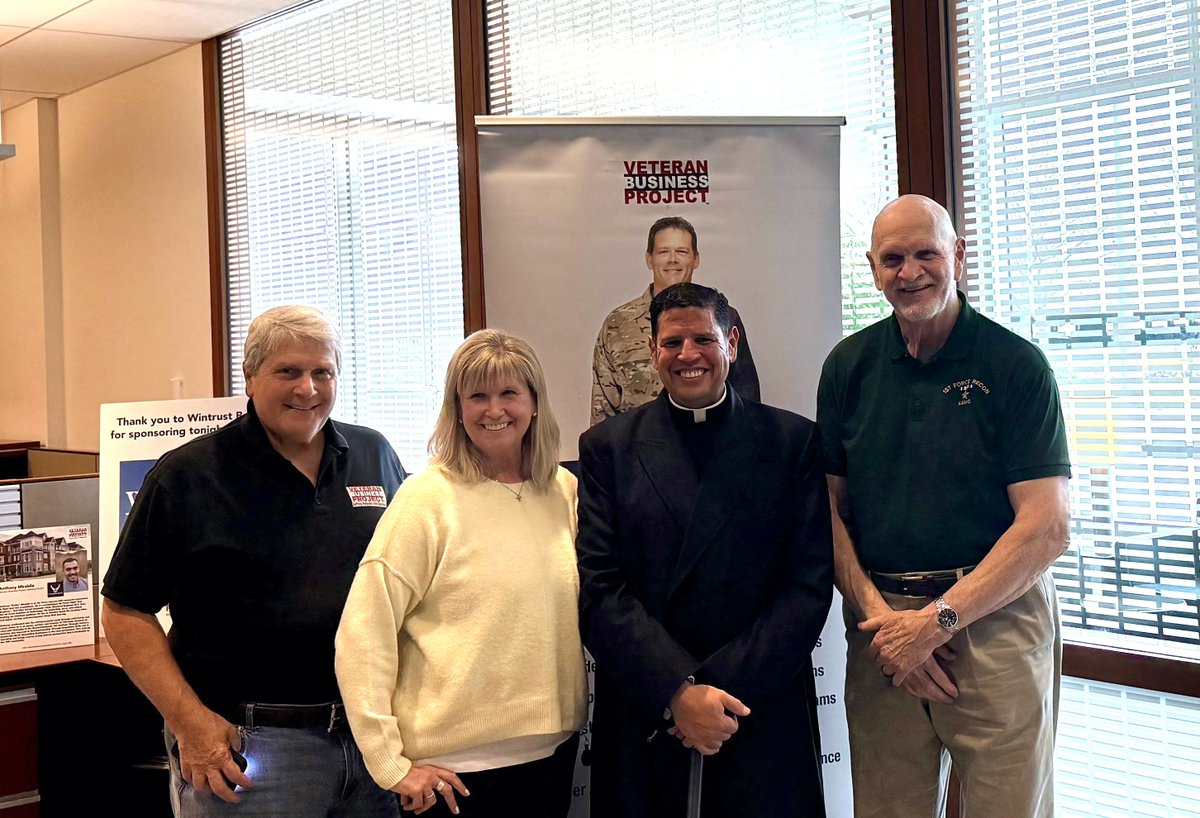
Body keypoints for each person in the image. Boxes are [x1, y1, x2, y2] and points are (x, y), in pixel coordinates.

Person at [816, 194, 1071, 817]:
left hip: (995, 619)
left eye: (926, 253)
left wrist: (935, 624)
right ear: (872, 268)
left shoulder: (1015, 365)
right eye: (892, 259)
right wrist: (886, 626)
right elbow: (827, 513)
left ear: (957, 254)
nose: (910, 273)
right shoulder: (847, 367)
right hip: (882, 627)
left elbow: (1047, 526)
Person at [102, 305, 407, 817]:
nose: (307, 388)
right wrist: (191, 725)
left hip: (370, 740)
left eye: (323, 372)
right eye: (288, 371)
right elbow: (124, 612)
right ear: (249, 377)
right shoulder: (189, 476)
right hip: (248, 749)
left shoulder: (372, 454)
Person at [577, 282, 833, 817]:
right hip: (649, 703)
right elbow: (601, 589)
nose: (687, 355)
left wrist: (714, 690)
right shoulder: (608, 448)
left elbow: (806, 587)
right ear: (653, 350)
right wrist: (677, 691)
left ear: (731, 343)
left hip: (757, 702)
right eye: (672, 342)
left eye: (703, 339)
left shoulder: (791, 442)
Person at [335, 329, 587, 818]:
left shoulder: (563, 491)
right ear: (457, 409)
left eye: (509, 393)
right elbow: (364, 633)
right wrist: (389, 763)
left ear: (535, 403)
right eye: (477, 396)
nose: (495, 410)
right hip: (450, 776)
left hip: (551, 757)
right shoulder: (427, 498)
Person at [590, 216, 760, 425]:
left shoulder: (723, 317)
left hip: (715, 441)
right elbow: (603, 411)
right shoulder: (617, 324)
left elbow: (747, 401)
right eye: (663, 252)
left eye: (682, 251)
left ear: (696, 259)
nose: (672, 260)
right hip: (637, 443)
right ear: (649, 259)